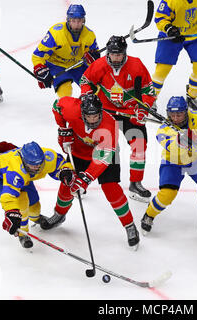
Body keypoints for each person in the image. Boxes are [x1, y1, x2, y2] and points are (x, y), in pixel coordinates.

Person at [47, 93, 141, 249]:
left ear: (101, 111)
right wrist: (63, 129)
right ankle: (59, 214)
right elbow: (57, 106)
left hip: (104, 154)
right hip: (78, 151)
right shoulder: (71, 109)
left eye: (96, 116)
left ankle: (129, 225)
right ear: (82, 113)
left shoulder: (109, 126)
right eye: (89, 117)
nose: (93, 120)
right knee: (67, 184)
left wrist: (86, 179)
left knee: (111, 188)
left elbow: (101, 159)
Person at [80, 35, 156, 203]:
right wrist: (86, 96)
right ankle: (82, 180)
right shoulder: (99, 65)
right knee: (97, 145)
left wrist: (143, 108)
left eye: (119, 54)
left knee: (139, 144)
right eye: (113, 54)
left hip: (130, 111)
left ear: (124, 53)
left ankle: (135, 183)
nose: (115, 58)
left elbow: (148, 90)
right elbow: (85, 81)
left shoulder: (136, 65)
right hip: (106, 111)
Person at [141, 96, 197, 240]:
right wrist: (181, 140)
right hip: (173, 160)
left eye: (179, 114)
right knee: (167, 195)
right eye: (172, 115)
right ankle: (149, 215)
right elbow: (172, 148)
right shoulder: (163, 129)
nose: (175, 118)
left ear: (186, 112)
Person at [0, 141, 75, 248]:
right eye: (33, 165)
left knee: (34, 203)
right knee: (21, 202)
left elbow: (59, 163)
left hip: (24, 176)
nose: (37, 167)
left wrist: (65, 170)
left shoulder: (47, 156)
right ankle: (22, 233)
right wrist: (11, 213)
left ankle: (35, 217)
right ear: (24, 161)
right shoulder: (16, 170)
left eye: (40, 163)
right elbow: (9, 196)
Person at [32, 4, 100, 98]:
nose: (76, 24)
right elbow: (38, 55)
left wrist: (93, 58)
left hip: (77, 65)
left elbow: (94, 57)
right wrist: (40, 69)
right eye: (73, 21)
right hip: (56, 65)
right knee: (65, 89)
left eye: (79, 21)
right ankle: (66, 108)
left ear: (83, 20)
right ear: (68, 20)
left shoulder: (89, 34)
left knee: (95, 88)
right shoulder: (56, 33)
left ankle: (92, 109)